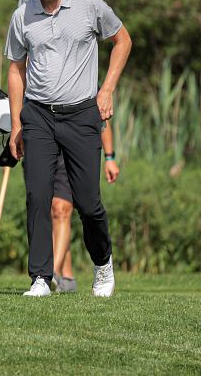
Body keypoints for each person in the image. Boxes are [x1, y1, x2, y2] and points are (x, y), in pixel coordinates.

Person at [5, 0, 132, 297]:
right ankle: (41, 278)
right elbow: (16, 69)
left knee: (88, 202)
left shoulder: (90, 6)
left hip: (81, 114)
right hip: (39, 115)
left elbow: (123, 41)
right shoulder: (22, 15)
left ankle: (103, 264)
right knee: (38, 195)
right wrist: (17, 122)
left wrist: (106, 89)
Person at [52, 120, 120, 292]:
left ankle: (51, 271)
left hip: (75, 143)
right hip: (43, 140)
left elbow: (102, 115)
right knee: (50, 211)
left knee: (61, 209)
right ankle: (67, 277)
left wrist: (109, 157)